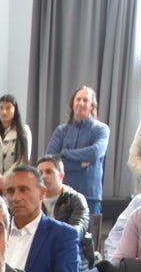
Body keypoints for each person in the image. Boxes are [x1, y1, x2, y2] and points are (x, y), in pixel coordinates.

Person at [2, 165, 81, 272]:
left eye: (23, 190)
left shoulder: (63, 236)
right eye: (10, 191)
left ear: (42, 193)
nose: (16, 197)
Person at [46, 85, 110, 213]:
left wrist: (65, 153)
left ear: (92, 106)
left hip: (90, 198)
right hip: (63, 196)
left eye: (85, 100)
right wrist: (80, 165)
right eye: (78, 99)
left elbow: (94, 153)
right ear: (73, 103)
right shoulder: (61, 131)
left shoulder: (102, 129)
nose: (81, 103)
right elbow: (50, 162)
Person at [0, 94, 32, 192]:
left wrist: (5, 180)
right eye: (1, 108)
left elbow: (22, 159)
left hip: (15, 180)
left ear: (15, 110)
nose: (4, 112)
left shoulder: (24, 131)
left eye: (8, 108)